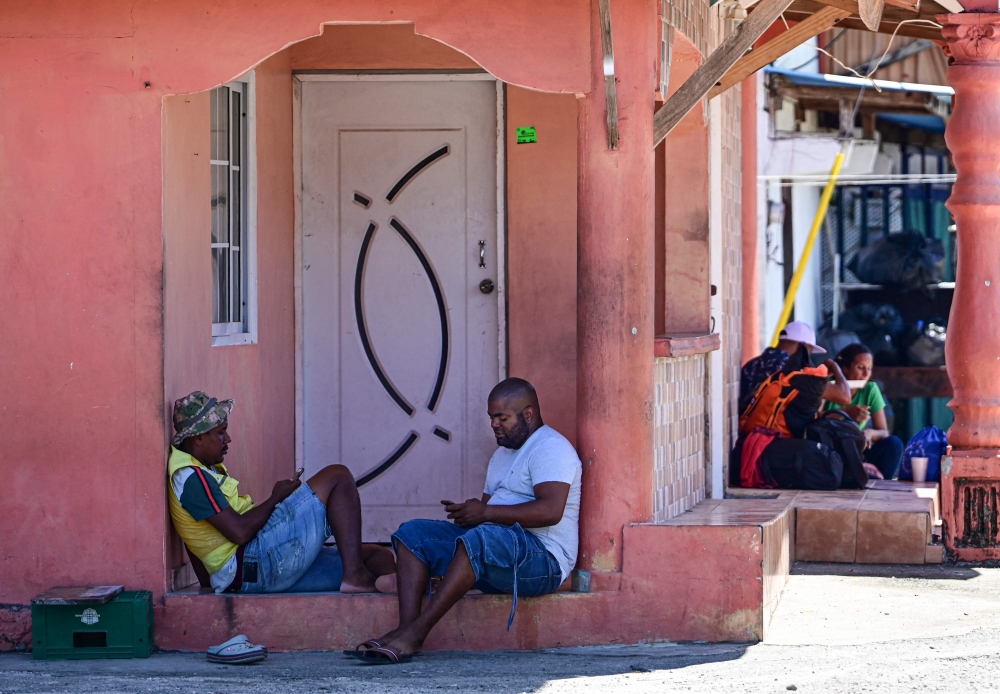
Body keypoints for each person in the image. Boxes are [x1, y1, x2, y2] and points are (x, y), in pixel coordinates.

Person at [350, 378, 582, 664]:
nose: (494, 424)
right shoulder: (501, 456)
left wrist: (484, 515)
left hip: (542, 561)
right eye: (491, 417)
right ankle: (404, 628)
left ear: (529, 414)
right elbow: (487, 518)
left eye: (502, 417)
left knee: (480, 539)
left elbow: (551, 510)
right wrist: (469, 514)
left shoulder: (550, 448)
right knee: (413, 534)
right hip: (498, 549)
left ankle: (416, 635)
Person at [167, 391, 395, 594]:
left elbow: (196, 537)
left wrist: (209, 583)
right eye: (221, 433)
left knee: (378, 557)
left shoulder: (199, 470)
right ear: (198, 438)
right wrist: (276, 497)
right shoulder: (191, 477)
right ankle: (354, 576)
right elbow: (239, 532)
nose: (228, 439)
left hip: (256, 568)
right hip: (254, 564)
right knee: (338, 476)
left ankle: (381, 599)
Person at [825, 343, 904, 481]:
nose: (866, 374)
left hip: (858, 449)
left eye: (869, 368)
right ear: (845, 368)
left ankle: (877, 483)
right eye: (860, 368)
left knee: (894, 444)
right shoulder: (828, 385)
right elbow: (813, 419)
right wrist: (845, 412)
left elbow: (883, 431)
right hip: (832, 449)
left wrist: (870, 433)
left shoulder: (870, 389)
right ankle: (858, 473)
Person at [739, 320, 852, 415]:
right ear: (802, 346)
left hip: (745, 430)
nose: (808, 357)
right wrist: (834, 366)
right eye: (809, 351)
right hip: (770, 436)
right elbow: (844, 396)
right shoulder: (794, 371)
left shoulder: (753, 364)